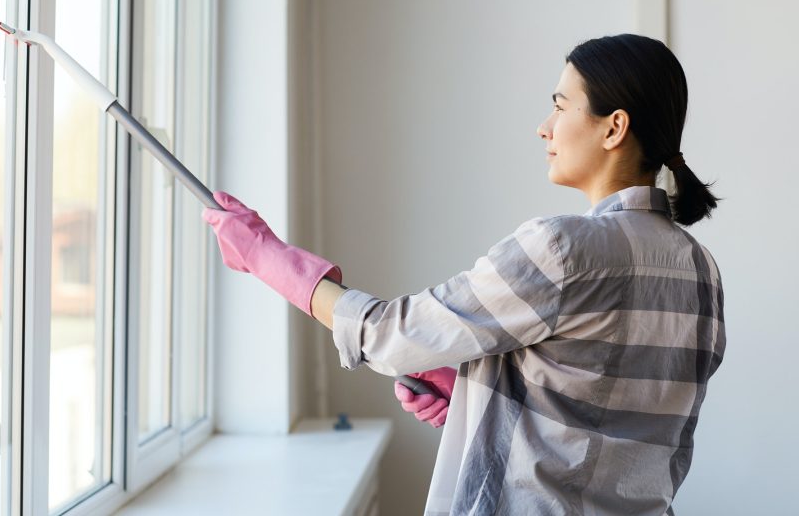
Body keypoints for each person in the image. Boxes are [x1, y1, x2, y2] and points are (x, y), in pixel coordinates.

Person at [203, 33, 725, 515]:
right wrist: (477, 395)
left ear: (614, 127)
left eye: (560, 106)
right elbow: (604, 416)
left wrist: (266, 256)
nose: (543, 126)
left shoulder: (562, 250)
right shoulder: (701, 272)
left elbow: (388, 334)